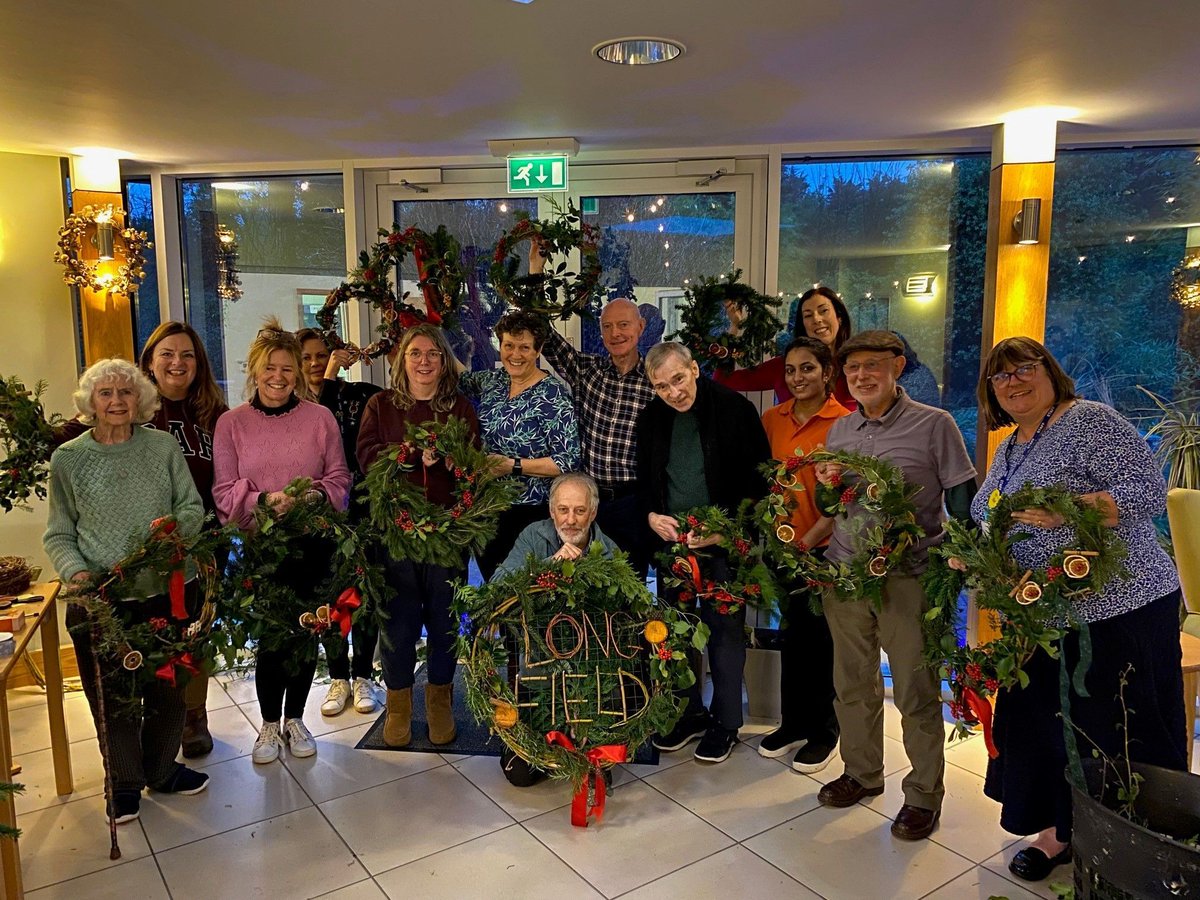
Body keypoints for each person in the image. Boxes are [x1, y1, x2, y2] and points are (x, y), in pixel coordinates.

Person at [964, 337, 1184, 882]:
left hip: (1119, 610)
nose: (1013, 382)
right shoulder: (1013, 443)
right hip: (1043, 617)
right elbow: (993, 513)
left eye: (1024, 369)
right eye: (1001, 376)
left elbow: (1149, 493)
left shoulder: (1090, 421)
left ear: (1049, 371)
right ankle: (1059, 832)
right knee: (1049, 725)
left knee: (1113, 726)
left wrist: (1070, 511)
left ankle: (1131, 838)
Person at [814, 330, 976, 841]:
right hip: (845, 574)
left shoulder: (935, 425)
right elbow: (832, 508)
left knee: (914, 689)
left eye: (871, 366)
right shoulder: (840, 429)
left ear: (898, 366)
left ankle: (924, 794)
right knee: (852, 684)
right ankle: (861, 773)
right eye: (852, 368)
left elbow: (965, 499)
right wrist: (826, 487)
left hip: (908, 577)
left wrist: (962, 557)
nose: (861, 376)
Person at [43, 359, 209, 824]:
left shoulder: (162, 447)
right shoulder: (69, 460)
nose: (116, 402)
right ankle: (123, 783)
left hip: (169, 589)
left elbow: (191, 507)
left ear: (141, 400)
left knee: (170, 691)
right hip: (104, 600)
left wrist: (175, 535)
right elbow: (58, 534)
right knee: (113, 699)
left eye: (126, 393)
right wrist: (77, 574)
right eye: (105, 394)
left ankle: (161, 769)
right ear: (89, 402)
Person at [213, 320, 351, 765]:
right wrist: (265, 501)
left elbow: (340, 479)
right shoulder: (231, 425)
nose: (279, 377)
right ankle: (269, 724)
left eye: (288, 369)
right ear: (254, 371)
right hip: (262, 548)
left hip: (313, 542)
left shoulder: (321, 418)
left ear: (297, 373)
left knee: (306, 632)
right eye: (270, 368)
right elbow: (223, 493)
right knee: (273, 638)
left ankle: (296, 718)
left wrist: (312, 495)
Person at [639, 342, 771, 763]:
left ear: (695, 369)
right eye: (661, 386)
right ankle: (688, 712)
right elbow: (644, 481)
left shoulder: (735, 410)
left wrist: (725, 531)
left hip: (724, 544)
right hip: (674, 547)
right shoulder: (650, 419)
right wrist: (651, 516)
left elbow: (759, 486)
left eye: (678, 379)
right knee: (675, 634)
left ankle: (726, 722)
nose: (673, 392)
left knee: (725, 634)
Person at [357, 324, 481, 748]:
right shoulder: (381, 405)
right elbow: (367, 456)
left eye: (433, 353)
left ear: (444, 361)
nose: (424, 361)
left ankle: (440, 702)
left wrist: (448, 458)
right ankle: (399, 705)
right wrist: (407, 455)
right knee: (399, 621)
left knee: (445, 621)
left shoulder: (460, 408)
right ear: (402, 360)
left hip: (447, 533)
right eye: (415, 353)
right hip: (397, 533)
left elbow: (473, 459)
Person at [757, 337, 851, 773]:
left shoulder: (844, 424)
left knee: (824, 641)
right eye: (791, 370)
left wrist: (809, 539)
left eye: (807, 368)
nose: (798, 378)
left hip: (826, 550)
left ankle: (824, 730)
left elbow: (846, 498)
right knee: (793, 637)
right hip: (784, 549)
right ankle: (792, 722)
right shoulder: (772, 419)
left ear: (827, 371)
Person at [492, 472, 621, 786]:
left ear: (593, 513)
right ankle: (545, 739)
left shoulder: (608, 550)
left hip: (588, 675)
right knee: (520, 776)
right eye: (563, 510)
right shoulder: (533, 536)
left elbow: (625, 617)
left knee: (598, 771)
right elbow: (496, 588)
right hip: (537, 670)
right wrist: (546, 568)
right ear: (551, 511)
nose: (571, 520)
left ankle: (582, 737)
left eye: (579, 511)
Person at [138, 320, 229, 759]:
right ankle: (154, 718)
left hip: (207, 542)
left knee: (197, 629)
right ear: (150, 362)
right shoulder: (133, 412)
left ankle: (194, 716)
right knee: (153, 629)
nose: (178, 363)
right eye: (167, 354)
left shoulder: (214, 414)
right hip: (148, 545)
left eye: (187, 355)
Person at [538, 288, 656, 578]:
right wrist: (536, 269)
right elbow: (545, 335)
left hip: (632, 504)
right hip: (588, 504)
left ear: (640, 327)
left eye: (623, 325)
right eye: (607, 326)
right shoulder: (587, 371)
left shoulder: (656, 382)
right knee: (582, 581)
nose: (615, 333)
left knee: (630, 583)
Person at [297, 328, 384, 718]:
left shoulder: (361, 394)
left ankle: (364, 673)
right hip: (316, 511)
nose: (316, 364)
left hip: (361, 507)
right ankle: (337, 676)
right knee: (327, 593)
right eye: (308, 358)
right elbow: (320, 434)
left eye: (323, 356)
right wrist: (330, 373)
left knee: (363, 587)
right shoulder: (293, 406)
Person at [459, 310, 580, 580]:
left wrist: (511, 466)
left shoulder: (552, 395)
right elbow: (458, 379)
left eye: (524, 347)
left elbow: (567, 461)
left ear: (538, 350)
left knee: (524, 592)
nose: (515, 354)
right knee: (494, 590)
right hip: (488, 510)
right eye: (508, 346)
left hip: (530, 515)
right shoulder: (493, 381)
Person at [717, 286, 855, 407]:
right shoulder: (785, 366)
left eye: (823, 311)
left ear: (839, 317)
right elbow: (724, 380)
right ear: (803, 325)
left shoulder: (856, 366)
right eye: (808, 315)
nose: (817, 319)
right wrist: (735, 327)